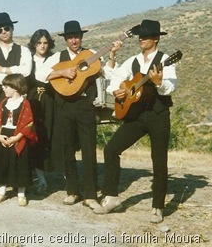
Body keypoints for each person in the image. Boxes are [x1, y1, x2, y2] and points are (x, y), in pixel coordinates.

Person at [94, 20, 177, 224]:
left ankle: (157, 206)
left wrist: (159, 83)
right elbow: (114, 79)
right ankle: (112, 197)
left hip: (158, 114)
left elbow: (171, 87)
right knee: (111, 149)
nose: (141, 39)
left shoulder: (166, 59)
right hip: (136, 115)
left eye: (146, 36)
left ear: (156, 38)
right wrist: (116, 90)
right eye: (140, 35)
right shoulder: (133, 61)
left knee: (158, 160)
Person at [41, 20, 122, 209]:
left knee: (88, 149)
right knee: (67, 149)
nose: (74, 40)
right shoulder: (58, 58)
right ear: (65, 39)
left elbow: (109, 73)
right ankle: (73, 191)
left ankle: (91, 194)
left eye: (77, 36)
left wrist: (112, 54)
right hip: (64, 106)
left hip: (86, 106)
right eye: (70, 37)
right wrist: (63, 71)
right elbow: (41, 74)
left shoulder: (91, 54)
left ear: (81, 37)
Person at [0, 12, 32, 191]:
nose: (3, 32)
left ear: (12, 29)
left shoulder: (24, 50)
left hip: (18, 100)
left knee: (18, 135)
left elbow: (27, 72)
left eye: (6, 28)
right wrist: (14, 75)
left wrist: (4, 69)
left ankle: (17, 178)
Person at [0, 74, 38, 206]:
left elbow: (28, 123)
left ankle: (21, 194)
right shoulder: (4, 102)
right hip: (4, 135)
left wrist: (16, 138)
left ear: (15, 87)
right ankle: (1, 191)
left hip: (18, 136)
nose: (3, 89)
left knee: (20, 164)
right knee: (3, 163)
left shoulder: (24, 104)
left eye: (6, 87)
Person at [26, 29, 56, 195]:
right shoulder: (28, 60)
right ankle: (40, 178)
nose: (42, 46)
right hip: (33, 101)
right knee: (35, 138)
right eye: (39, 43)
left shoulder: (55, 59)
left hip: (51, 101)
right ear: (34, 44)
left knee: (51, 136)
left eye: (45, 43)